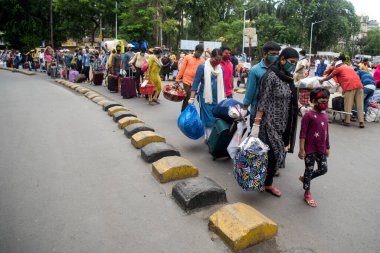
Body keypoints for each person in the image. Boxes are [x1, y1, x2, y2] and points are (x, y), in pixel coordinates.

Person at [251, 47, 299, 197]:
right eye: (291, 62)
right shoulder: (270, 76)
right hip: (269, 122)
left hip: (283, 123)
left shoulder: (287, 77)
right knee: (274, 154)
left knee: (277, 156)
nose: (293, 65)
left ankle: (267, 183)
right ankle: (262, 182)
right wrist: (256, 124)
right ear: (282, 59)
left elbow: (290, 100)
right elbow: (263, 101)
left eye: (295, 63)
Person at [298, 88, 330, 207]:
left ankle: (306, 178)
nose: (324, 103)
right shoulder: (308, 116)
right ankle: (307, 193)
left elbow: (326, 132)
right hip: (310, 149)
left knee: (323, 169)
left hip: (321, 148)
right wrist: (302, 149)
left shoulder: (326, 115)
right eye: (322, 101)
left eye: (326, 101)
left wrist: (328, 147)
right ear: (314, 101)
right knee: (309, 170)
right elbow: (302, 134)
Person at [188, 48, 225, 141]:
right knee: (208, 117)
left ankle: (209, 134)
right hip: (205, 97)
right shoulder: (202, 67)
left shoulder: (221, 69)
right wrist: (191, 98)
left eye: (220, 60)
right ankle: (209, 138)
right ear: (211, 57)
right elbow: (195, 82)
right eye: (216, 59)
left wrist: (225, 97)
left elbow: (222, 85)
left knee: (216, 116)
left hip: (218, 98)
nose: (218, 62)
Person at [242, 41, 281, 128]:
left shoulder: (279, 70)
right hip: (257, 112)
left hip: (274, 113)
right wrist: (244, 109)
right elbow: (249, 92)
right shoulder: (255, 70)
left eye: (277, 54)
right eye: (273, 54)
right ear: (265, 54)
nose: (275, 56)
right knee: (255, 138)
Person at [319, 60, 365, 128]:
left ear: (337, 65)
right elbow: (347, 77)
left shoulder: (339, 68)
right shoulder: (350, 68)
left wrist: (322, 80)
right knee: (360, 105)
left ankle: (347, 121)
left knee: (348, 104)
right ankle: (361, 122)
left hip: (349, 86)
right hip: (359, 86)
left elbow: (330, 76)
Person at [175, 44, 205, 112]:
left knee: (191, 97)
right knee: (188, 96)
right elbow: (182, 68)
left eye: (200, 52)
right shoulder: (188, 57)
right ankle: (184, 112)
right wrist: (177, 79)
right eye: (198, 51)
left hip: (195, 82)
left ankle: (186, 112)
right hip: (186, 80)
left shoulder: (203, 61)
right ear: (195, 50)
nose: (199, 53)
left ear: (202, 53)